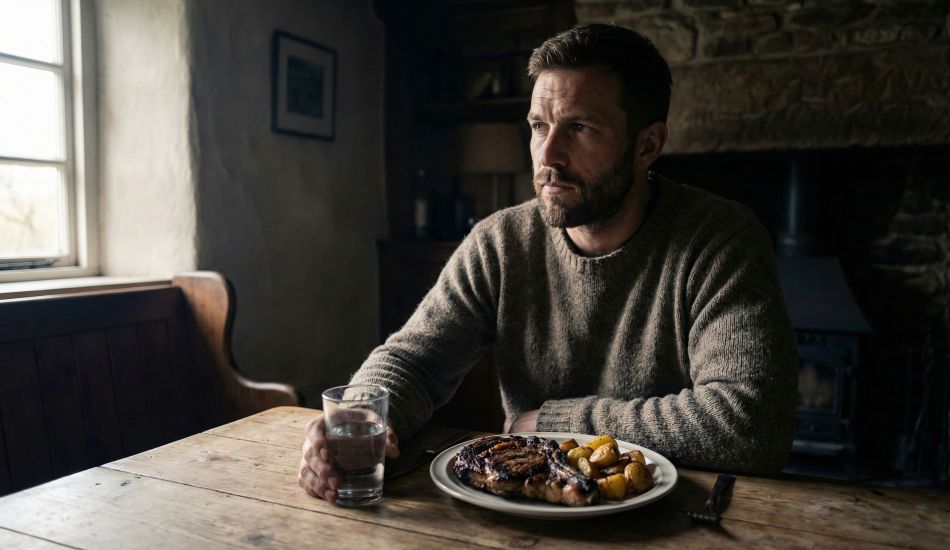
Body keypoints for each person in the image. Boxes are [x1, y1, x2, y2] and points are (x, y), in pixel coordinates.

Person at [299, 23, 798, 503]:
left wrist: (559, 422)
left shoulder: (720, 239)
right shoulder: (500, 241)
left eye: (579, 128)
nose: (548, 155)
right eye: (539, 126)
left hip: (676, 519)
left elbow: (752, 423)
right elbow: (416, 360)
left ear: (647, 145)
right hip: (523, 509)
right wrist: (359, 416)